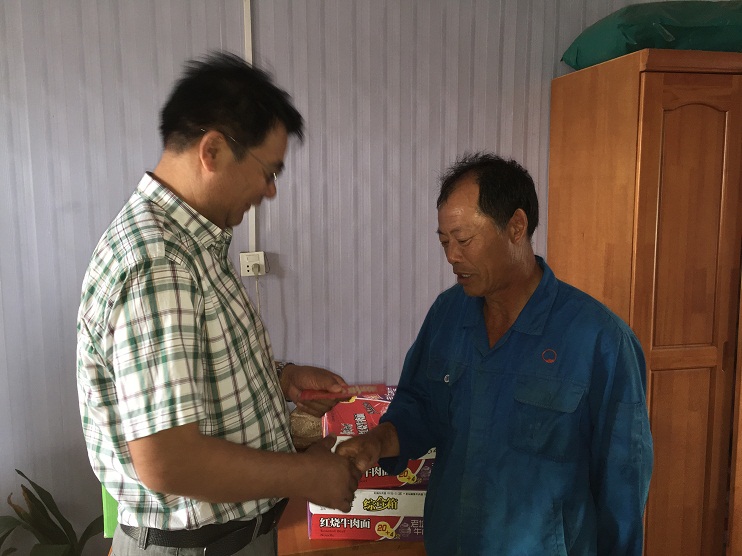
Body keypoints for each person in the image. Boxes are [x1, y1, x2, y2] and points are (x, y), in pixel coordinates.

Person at [76, 52, 361, 556]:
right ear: (212, 150)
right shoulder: (159, 262)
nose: (270, 191)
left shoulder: (192, 245)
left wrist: (282, 378)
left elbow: (190, 372)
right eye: (268, 172)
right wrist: (307, 474)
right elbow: (168, 461)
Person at [337, 152, 653, 555]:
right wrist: (377, 442)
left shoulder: (601, 340)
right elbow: (419, 408)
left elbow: (622, 486)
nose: (452, 256)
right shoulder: (447, 315)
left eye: (464, 240)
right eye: (444, 241)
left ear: (516, 226)